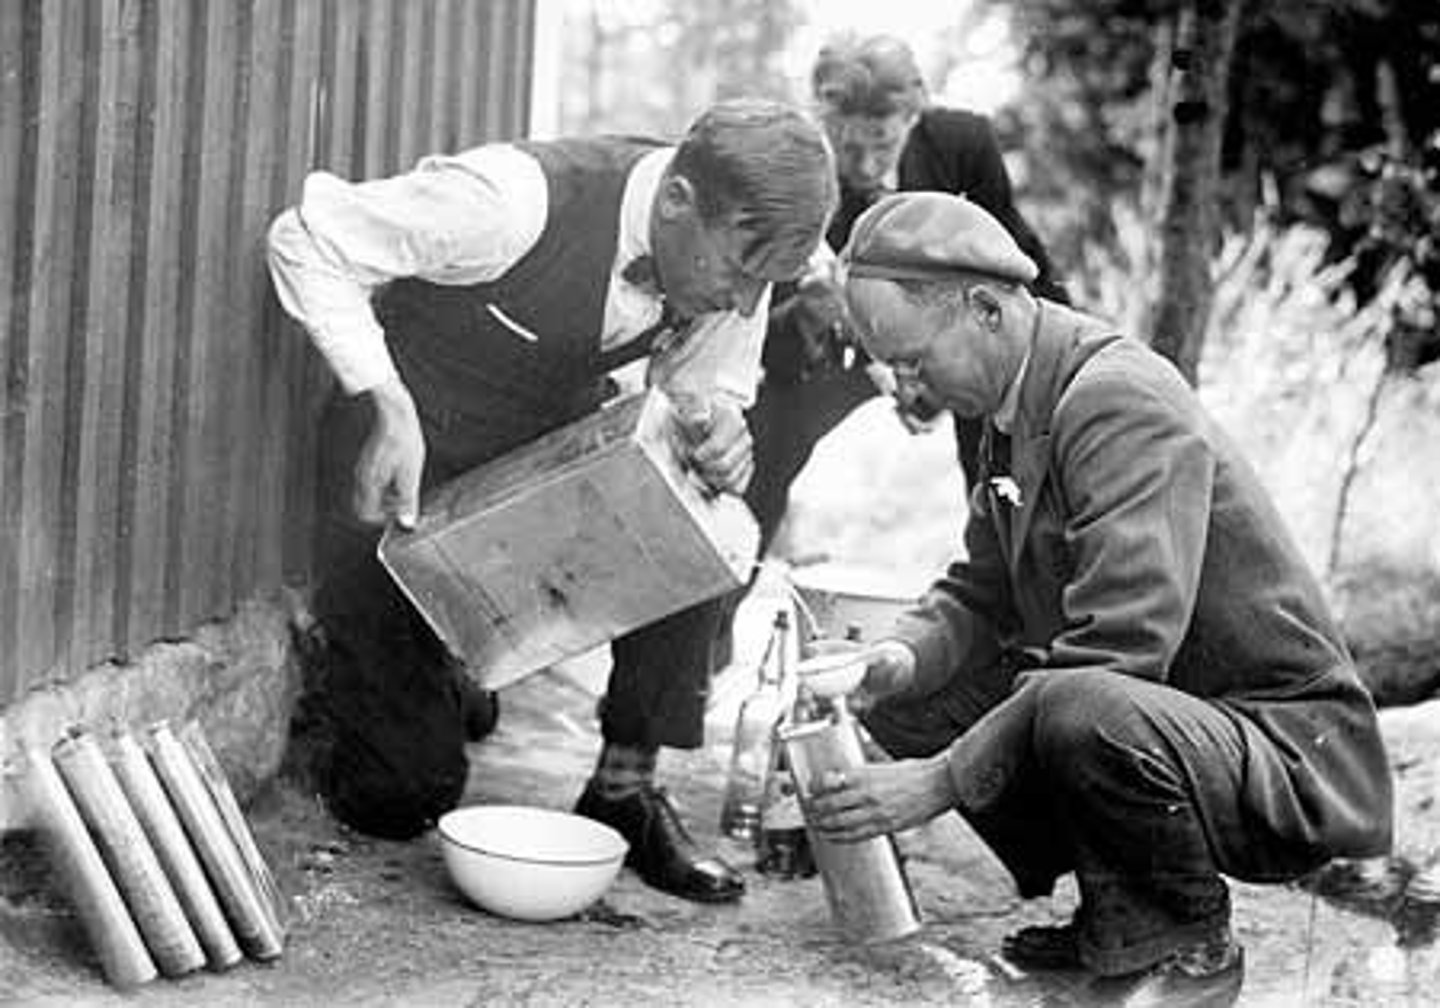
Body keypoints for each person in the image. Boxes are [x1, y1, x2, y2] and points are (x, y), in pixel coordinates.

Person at [805, 192, 1393, 1003]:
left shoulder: (1116, 398)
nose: (910, 388)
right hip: (1170, 718)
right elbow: (982, 589)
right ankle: (1118, 917)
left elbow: (1120, 653)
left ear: (985, 309)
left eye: (912, 360)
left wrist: (940, 780)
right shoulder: (1013, 405)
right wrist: (893, 660)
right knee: (922, 692)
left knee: (1082, 704)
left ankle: (1188, 947)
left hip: (1283, 746)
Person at [266, 99, 837, 904]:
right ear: (677, 201)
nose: (747, 304)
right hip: (402, 485)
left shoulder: (732, 272)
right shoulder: (508, 201)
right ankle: (419, 665)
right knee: (403, 795)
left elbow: (708, 384)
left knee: (700, 505)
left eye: (765, 285)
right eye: (740, 273)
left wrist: (716, 426)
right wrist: (385, 399)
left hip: (533, 466)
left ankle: (625, 786)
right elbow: (307, 237)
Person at [744, 33, 1068, 555]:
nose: (867, 165)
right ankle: (733, 576)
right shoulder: (794, 173)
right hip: (835, 354)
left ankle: (1008, 569)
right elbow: (764, 344)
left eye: (882, 145)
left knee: (1003, 438)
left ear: (913, 118)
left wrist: (1058, 362)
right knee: (767, 437)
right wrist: (806, 315)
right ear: (824, 124)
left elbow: (1023, 267)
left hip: (953, 331)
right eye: (849, 147)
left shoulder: (962, 144)